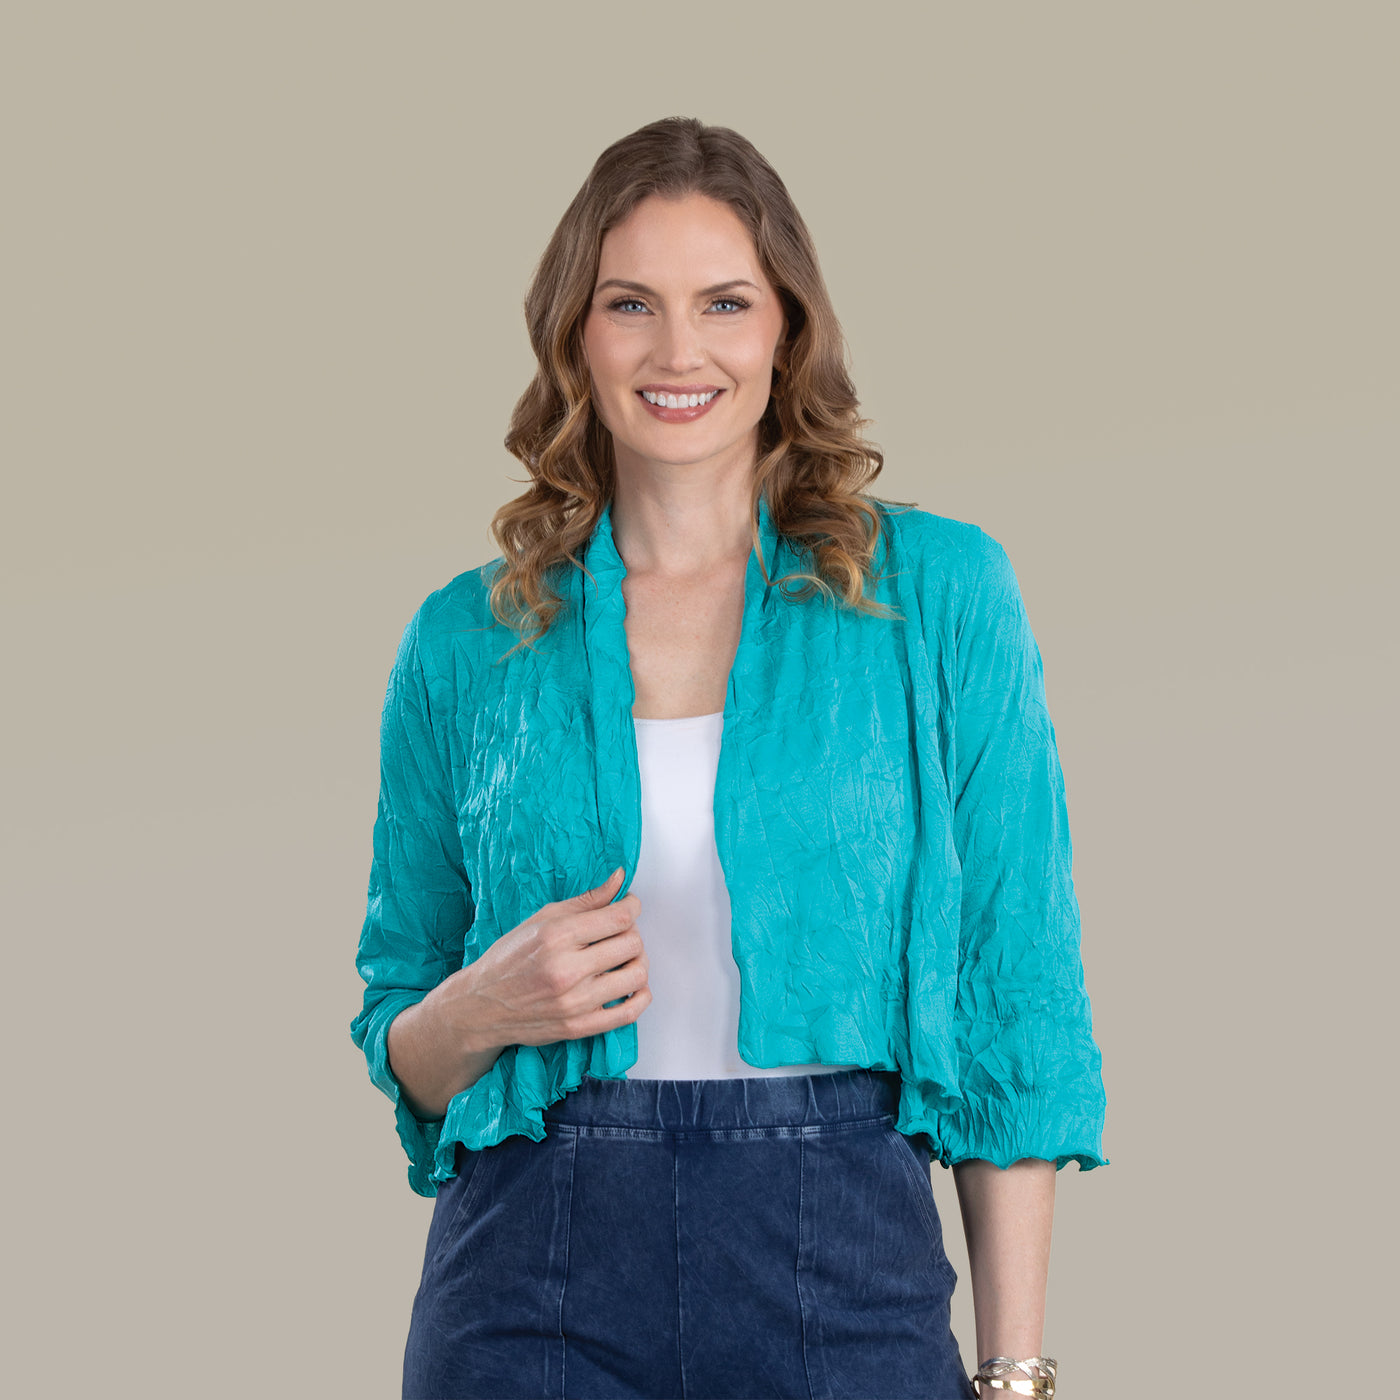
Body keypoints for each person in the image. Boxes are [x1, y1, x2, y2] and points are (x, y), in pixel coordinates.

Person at [351, 116, 1107, 1400]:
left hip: (843, 1276)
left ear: (785, 332)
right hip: (526, 1284)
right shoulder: (464, 641)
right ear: (574, 336)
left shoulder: (936, 595)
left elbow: (1014, 998)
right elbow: (403, 1030)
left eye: (723, 302)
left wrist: (1015, 1369)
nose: (677, 350)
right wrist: (483, 1005)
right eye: (628, 304)